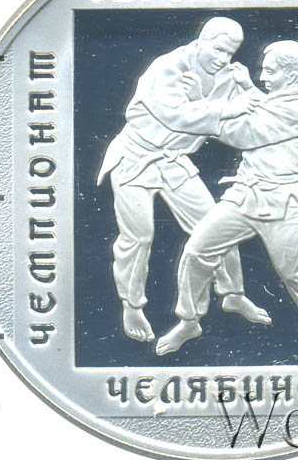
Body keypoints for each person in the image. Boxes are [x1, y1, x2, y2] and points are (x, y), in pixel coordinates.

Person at [157, 40, 298, 360]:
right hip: (244, 195)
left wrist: (199, 103)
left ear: (291, 75)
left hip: (279, 203)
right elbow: (262, 106)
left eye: (270, 71)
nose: (263, 76)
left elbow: (243, 133)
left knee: (295, 270)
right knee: (197, 251)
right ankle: (189, 321)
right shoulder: (281, 99)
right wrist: (245, 88)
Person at [97, 17, 271, 343]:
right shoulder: (167, 67)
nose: (223, 59)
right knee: (139, 236)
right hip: (134, 156)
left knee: (215, 225)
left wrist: (247, 87)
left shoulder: (229, 75)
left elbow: (264, 116)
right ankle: (132, 306)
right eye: (219, 50)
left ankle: (233, 294)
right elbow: (175, 116)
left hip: (174, 160)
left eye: (230, 53)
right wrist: (229, 106)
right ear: (203, 39)